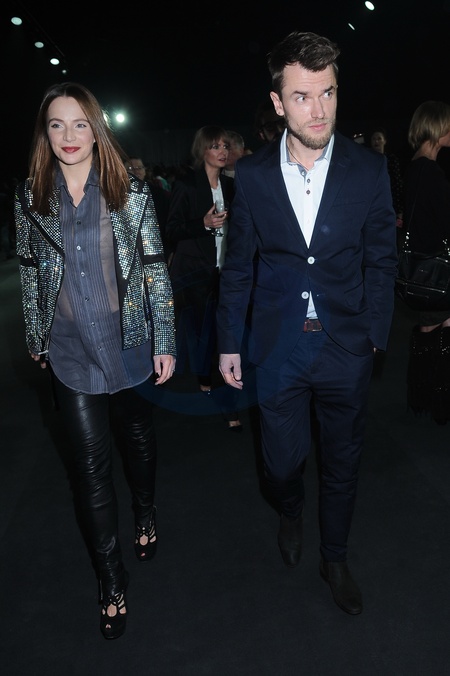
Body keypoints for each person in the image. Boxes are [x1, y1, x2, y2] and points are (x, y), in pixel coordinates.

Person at [217, 31, 398, 615]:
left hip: (346, 345)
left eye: (328, 93)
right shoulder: (252, 176)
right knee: (280, 464)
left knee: (343, 462)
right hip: (277, 347)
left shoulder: (369, 170)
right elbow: (238, 267)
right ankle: (290, 508)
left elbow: (382, 259)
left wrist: (375, 336)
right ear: (278, 103)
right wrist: (229, 342)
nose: (318, 110)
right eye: (302, 96)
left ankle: (335, 557)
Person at [15, 82, 176, 640]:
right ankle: (111, 579)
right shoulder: (31, 197)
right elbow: (31, 272)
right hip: (69, 350)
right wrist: (36, 335)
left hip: (128, 342)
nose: (69, 135)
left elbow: (154, 267)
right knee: (90, 468)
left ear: (97, 129)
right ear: (45, 133)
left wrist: (165, 339)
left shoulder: (130, 191)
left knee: (138, 440)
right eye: (57, 124)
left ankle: (146, 509)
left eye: (80, 123)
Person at [166, 125, 243, 431]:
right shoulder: (187, 185)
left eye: (225, 146)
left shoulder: (231, 185)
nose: (222, 152)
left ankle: (222, 392)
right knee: (208, 333)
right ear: (202, 150)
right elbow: (171, 229)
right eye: (215, 146)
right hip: (196, 271)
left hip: (228, 271)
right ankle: (211, 383)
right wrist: (203, 223)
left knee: (226, 334)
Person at [403, 101, 450, 424]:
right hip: (437, 269)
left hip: (422, 269)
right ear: (436, 128)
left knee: (431, 330)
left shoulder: (414, 168)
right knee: (437, 331)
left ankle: (424, 398)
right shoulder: (431, 172)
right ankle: (437, 401)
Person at [124, 156, 172, 262]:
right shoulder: (116, 196)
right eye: (131, 168)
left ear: (145, 171)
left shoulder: (159, 195)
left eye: (139, 168)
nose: (136, 171)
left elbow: (168, 225)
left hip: (155, 253)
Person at [370, 127, 404, 231]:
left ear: (384, 141)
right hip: (374, 206)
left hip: (391, 204)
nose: (376, 141)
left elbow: (397, 184)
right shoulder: (367, 161)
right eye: (374, 139)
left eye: (379, 138)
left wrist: (400, 211)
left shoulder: (391, 159)